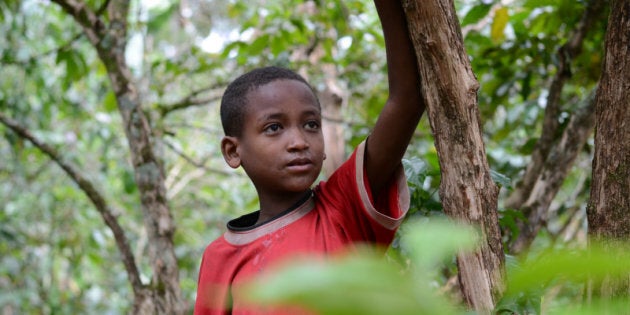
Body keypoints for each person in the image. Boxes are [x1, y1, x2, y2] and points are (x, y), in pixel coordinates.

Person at [194, 0, 424, 314]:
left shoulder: (343, 209)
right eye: (274, 127)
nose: (299, 142)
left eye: (311, 124)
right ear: (233, 151)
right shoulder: (219, 256)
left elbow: (406, 100)